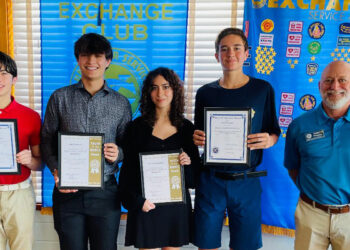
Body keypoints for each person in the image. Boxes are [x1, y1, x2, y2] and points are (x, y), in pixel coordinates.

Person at [41, 33, 132, 250]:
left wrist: (118, 153)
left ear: (108, 61)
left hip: (105, 193)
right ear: (78, 59)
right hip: (67, 193)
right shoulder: (59, 97)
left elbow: (128, 144)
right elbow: (46, 139)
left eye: (98, 55)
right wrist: (55, 169)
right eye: (85, 55)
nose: (91, 61)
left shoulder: (121, 103)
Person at [192, 27, 280, 250]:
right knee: (206, 244)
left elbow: (274, 131)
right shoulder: (205, 93)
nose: (231, 54)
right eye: (224, 49)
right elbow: (199, 134)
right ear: (216, 55)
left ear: (247, 53)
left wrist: (269, 140)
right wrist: (197, 137)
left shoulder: (263, 89)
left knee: (245, 246)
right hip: (211, 179)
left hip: (246, 180)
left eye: (237, 48)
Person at [119, 67, 200, 249]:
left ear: (175, 90)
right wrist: (137, 201)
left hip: (175, 209)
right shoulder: (136, 128)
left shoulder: (187, 128)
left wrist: (187, 164)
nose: (160, 93)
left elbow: (194, 179)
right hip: (146, 205)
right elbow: (126, 175)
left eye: (165, 86)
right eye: (154, 87)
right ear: (148, 92)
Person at [284, 60, 350, 250]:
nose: (335, 86)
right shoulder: (299, 126)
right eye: (328, 80)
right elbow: (293, 168)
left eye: (342, 80)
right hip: (311, 214)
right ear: (319, 86)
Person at [0, 51, 42, 250]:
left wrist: (29, 160)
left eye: (4, 73)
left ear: (14, 78)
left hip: (19, 193)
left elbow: (40, 162)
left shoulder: (30, 116)